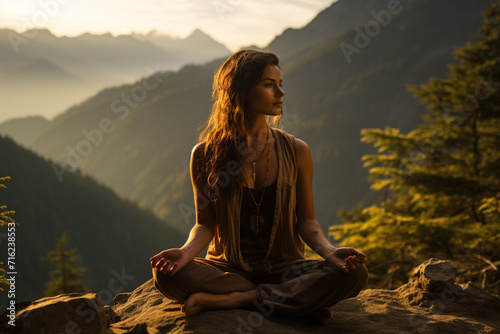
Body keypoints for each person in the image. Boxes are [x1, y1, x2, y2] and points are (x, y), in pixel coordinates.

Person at [150, 49, 368, 325]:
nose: (280, 93)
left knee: (356, 274)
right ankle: (290, 302)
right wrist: (186, 252)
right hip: (227, 269)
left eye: (280, 84)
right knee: (167, 275)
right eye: (268, 85)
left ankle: (238, 299)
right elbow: (205, 224)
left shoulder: (297, 150)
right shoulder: (205, 154)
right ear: (239, 91)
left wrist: (328, 251)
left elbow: (307, 221)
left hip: (286, 270)